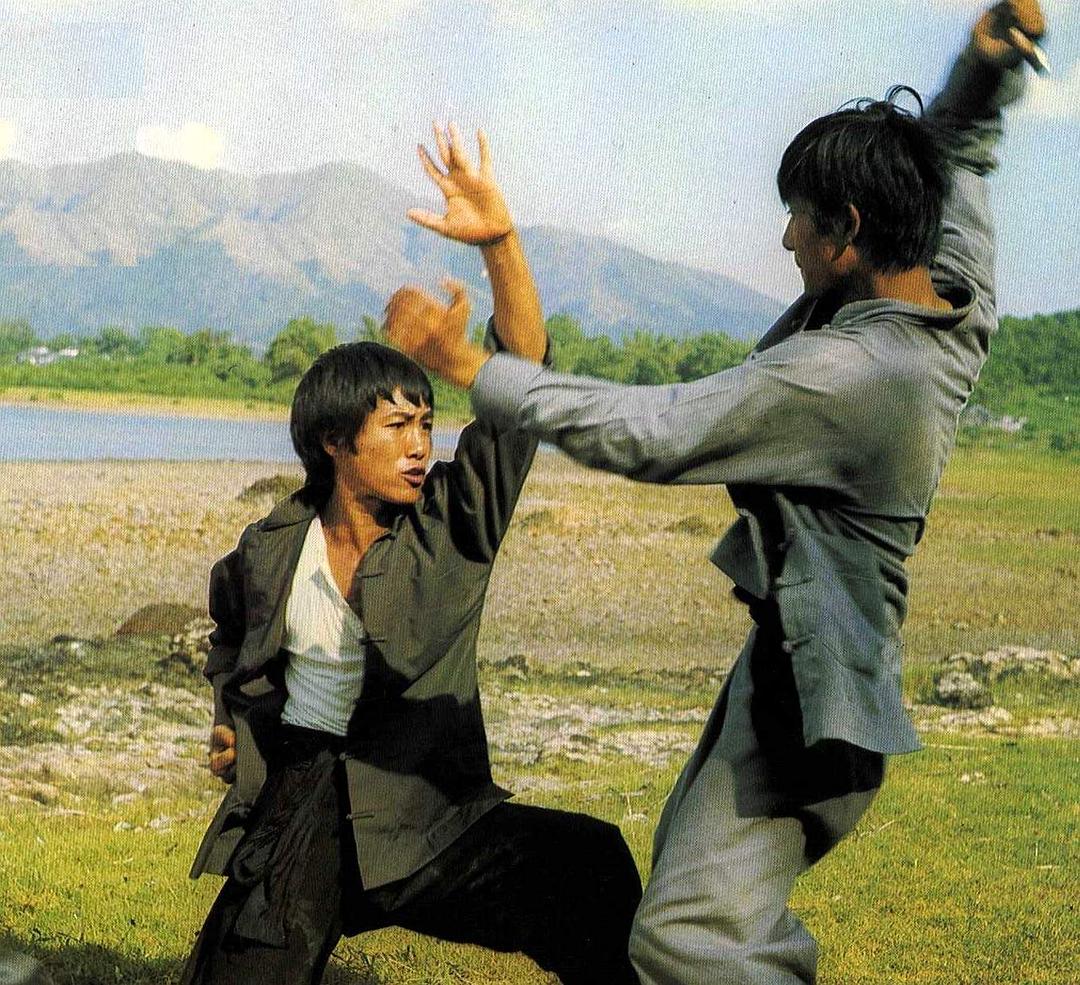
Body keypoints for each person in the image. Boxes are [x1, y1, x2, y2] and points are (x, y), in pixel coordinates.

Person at [383, 3, 1046, 982]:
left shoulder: (847, 378)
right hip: (802, 662)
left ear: (849, 229)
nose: (784, 238)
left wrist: (468, 366)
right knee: (686, 908)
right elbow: (961, 155)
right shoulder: (949, 290)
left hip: (814, 698)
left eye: (799, 217)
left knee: (685, 937)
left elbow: (652, 431)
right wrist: (983, 70)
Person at [180, 128, 642, 985]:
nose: (421, 444)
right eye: (397, 425)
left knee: (590, 864)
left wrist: (500, 242)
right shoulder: (271, 548)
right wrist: (231, 726)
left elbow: (524, 375)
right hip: (303, 805)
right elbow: (230, 636)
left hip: (427, 807)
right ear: (333, 442)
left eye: (428, 423)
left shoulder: (452, 524)